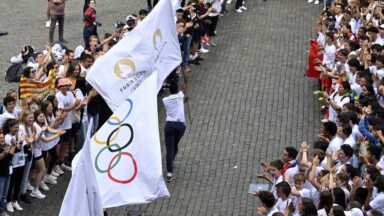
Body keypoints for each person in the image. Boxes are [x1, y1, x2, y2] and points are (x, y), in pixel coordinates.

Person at [162, 81, 187, 182]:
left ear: (170, 90)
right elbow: (186, 82)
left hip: (169, 126)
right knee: (175, 145)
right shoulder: (180, 96)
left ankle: (169, 173)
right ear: (177, 89)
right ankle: (170, 162)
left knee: (170, 148)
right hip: (180, 126)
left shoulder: (165, 100)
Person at [0, 132, 15, 216]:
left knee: (3, 194)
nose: (2, 139)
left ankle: (2, 211)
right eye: (0, 138)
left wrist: (13, 146)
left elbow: (10, 156)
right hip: (1, 175)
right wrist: (4, 153)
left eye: (3, 137)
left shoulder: (5, 145)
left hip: (7, 173)